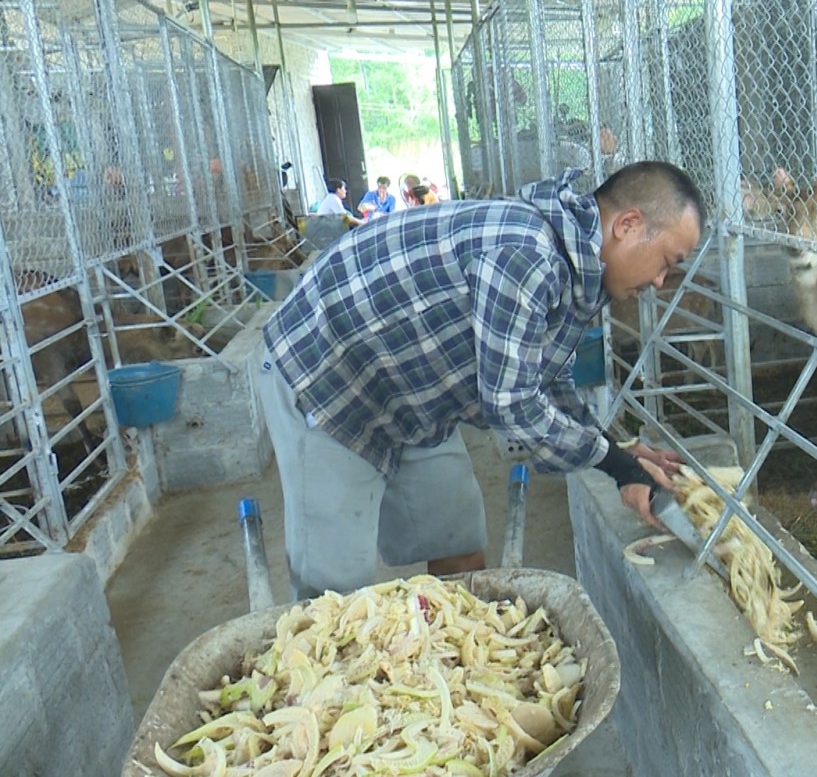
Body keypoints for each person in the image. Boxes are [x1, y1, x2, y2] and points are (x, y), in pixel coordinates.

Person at [256, 161, 706, 600]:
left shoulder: (577, 270)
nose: (662, 281)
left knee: (457, 539)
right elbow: (513, 405)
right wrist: (615, 465)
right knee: (336, 593)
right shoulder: (530, 257)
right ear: (627, 224)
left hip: (410, 391)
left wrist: (615, 450)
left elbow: (544, 381)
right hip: (327, 378)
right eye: (668, 261)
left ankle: (456, 658)